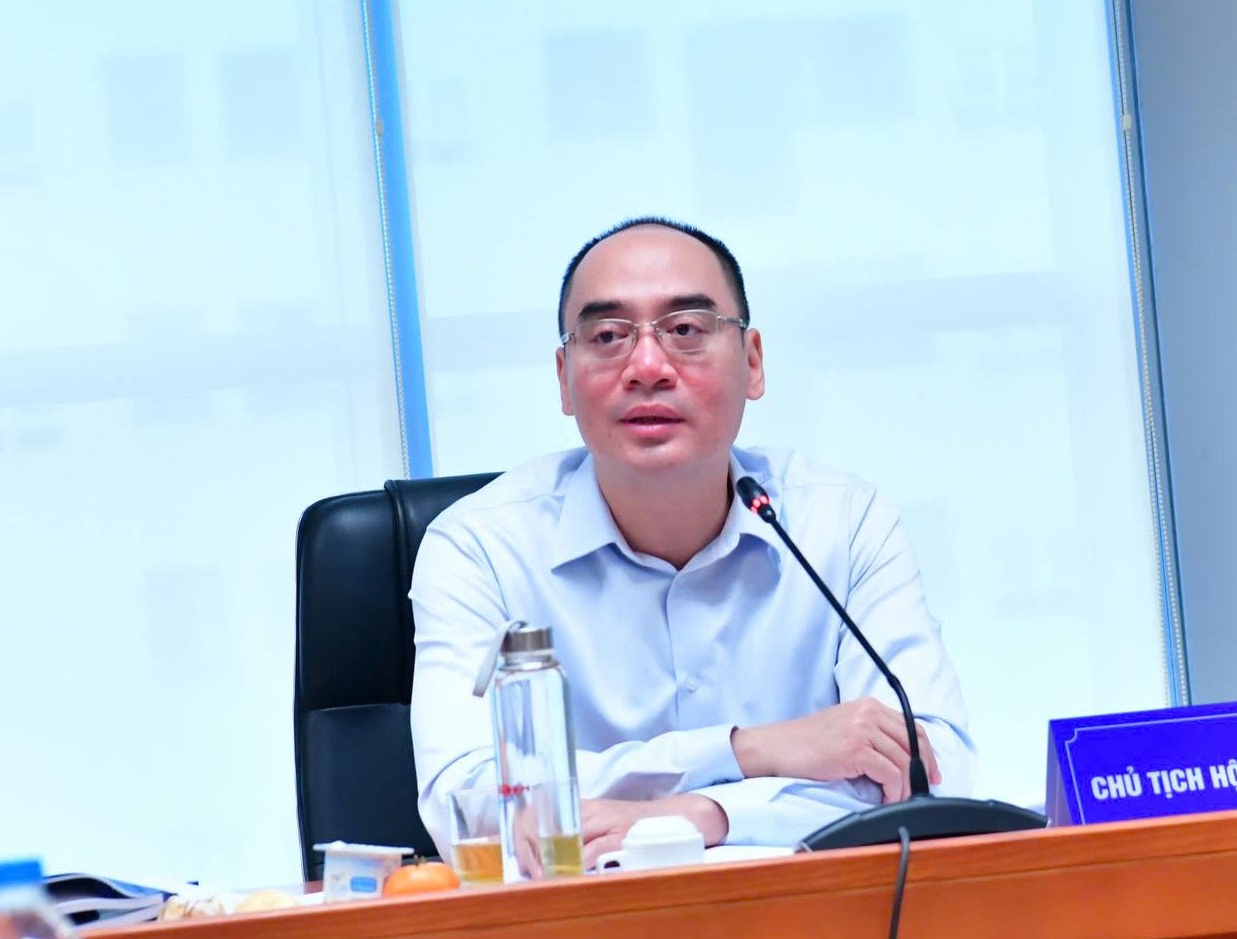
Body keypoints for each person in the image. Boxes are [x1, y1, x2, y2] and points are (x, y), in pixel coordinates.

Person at [410, 217, 974, 865]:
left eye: (685, 330)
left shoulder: (843, 524)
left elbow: (933, 772)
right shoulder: (481, 548)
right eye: (608, 336)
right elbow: (466, 801)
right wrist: (749, 750)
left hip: (808, 918)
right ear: (563, 377)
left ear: (752, 362)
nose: (647, 368)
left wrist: (698, 815)